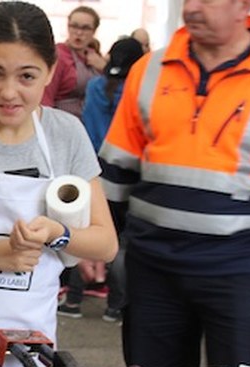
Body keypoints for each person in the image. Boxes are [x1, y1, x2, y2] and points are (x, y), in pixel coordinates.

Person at [0, 1, 118, 367]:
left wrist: (57, 234)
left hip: (33, 331)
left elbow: (105, 244)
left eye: (27, 77)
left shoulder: (66, 135)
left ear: (51, 71)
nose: (9, 92)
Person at [100, 0, 250, 367]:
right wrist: (99, 240)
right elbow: (118, 167)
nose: (193, 8)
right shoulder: (150, 68)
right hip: (153, 267)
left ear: (243, 5)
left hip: (238, 269)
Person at [57, 37, 144, 322]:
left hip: (89, 167)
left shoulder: (95, 86)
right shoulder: (135, 91)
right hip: (124, 173)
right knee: (119, 242)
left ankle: (73, 300)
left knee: (83, 235)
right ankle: (115, 306)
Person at [42, 5, 105, 119]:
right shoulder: (58, 56)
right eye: (74, 26)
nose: (79, 32)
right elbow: (46, 98)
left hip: (90, 124)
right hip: (61, 121)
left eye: (85, 28)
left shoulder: (95, 57)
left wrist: (105, 68)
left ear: (94, 31)